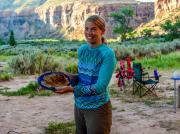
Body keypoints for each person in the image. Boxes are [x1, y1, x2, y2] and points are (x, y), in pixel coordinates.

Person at [55, 15, 116, 134]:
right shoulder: (82, 50)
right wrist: (69, 76)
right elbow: (83, 78)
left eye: (93, 29)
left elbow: (100, 87)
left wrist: (72, 90)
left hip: (97, 108)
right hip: (79, 105)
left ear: (102, 31)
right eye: (86, 28)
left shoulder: (107, 54)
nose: (89, 32)